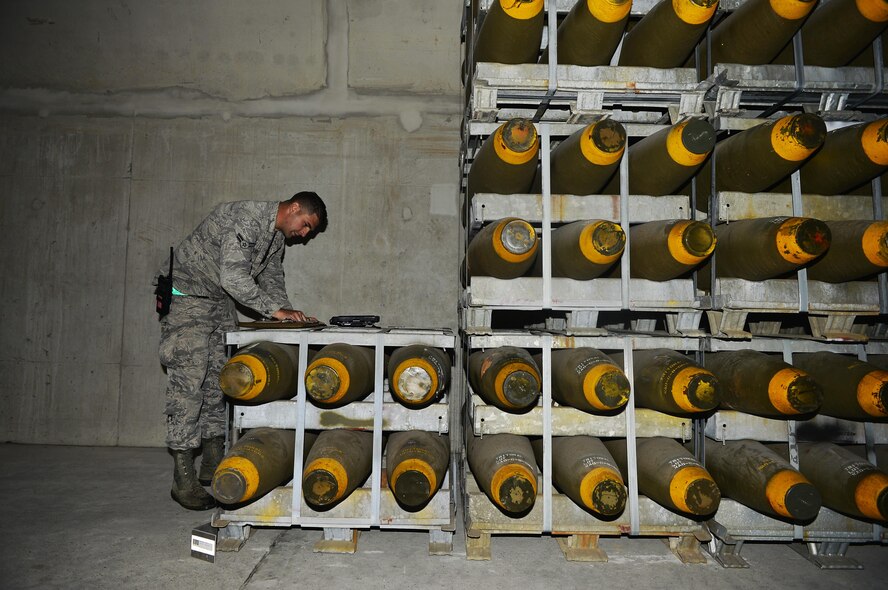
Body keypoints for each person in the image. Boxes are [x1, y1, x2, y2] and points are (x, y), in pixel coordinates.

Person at [157, 191, 327, 510]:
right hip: (186, 298)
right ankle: (183, 480)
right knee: (188, 387)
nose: (304, 235)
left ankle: (212, 463)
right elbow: (233, 278)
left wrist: (290, 316)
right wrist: (275, 312)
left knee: (219, 384)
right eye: (305, 225)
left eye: (309, 232)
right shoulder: (245, 219)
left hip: (217, 302)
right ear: (293, 209)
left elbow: (272, 281)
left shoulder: (275, 238)